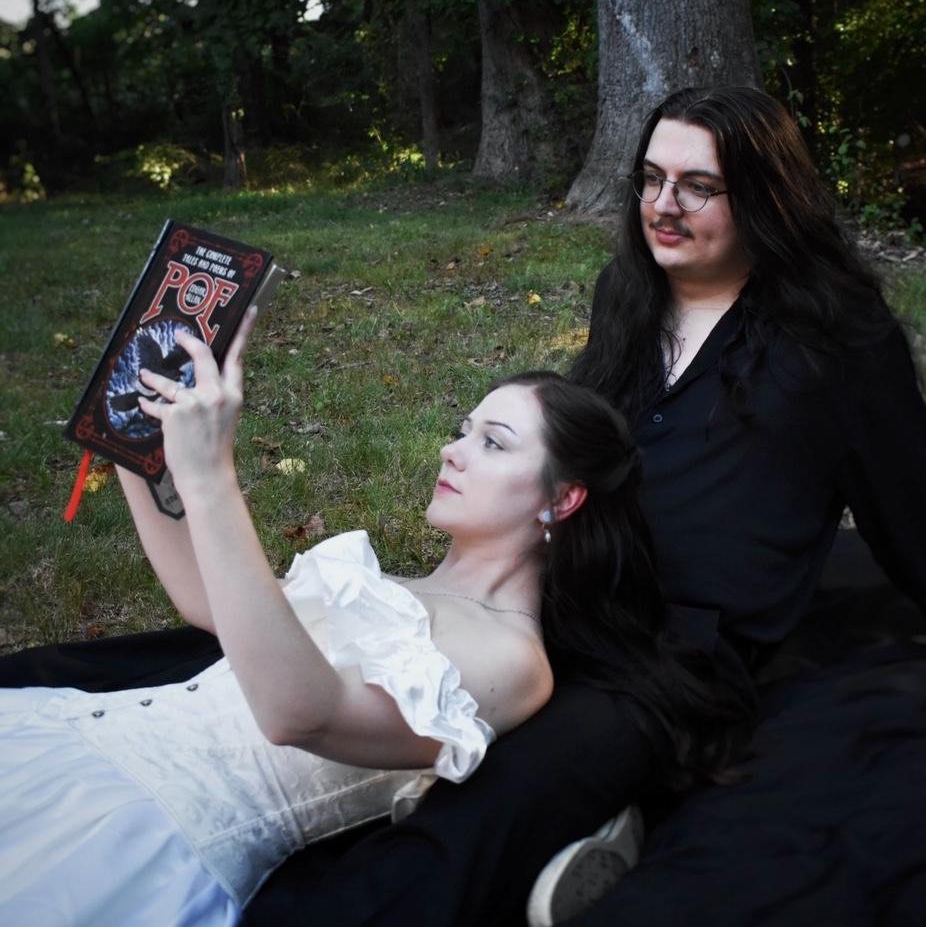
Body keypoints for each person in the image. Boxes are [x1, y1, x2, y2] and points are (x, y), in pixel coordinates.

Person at [235, 85, 926, 927]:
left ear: (765, 196)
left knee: (484, 812)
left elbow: (918, 509)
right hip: (556, 599)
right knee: (350, 699)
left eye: (698, 187)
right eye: (651, 178)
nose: (662, 205)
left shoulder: (835, 339)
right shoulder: (630, 293)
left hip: (670, 659)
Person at [0, 312, 747, 925]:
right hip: (77, 750)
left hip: (146, 835)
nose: (452, 451)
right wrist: (129, 441)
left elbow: (299, 714)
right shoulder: (388, 581)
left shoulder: (516, 661)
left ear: (562, 499)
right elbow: (209, 602)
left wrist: (211, 476)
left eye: (492, 443)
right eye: (464, 429)